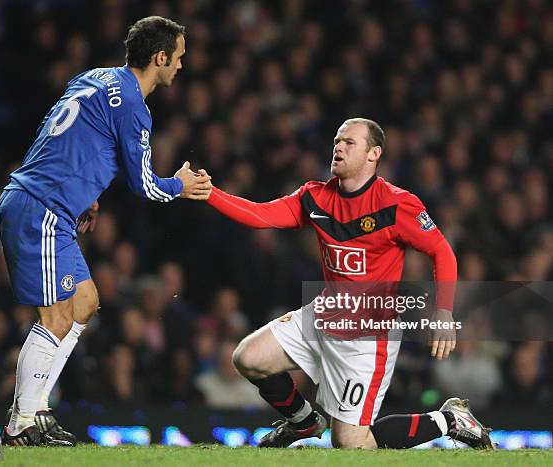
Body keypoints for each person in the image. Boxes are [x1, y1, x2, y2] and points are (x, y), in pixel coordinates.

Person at [202, 118, 494, 449]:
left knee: (351, 445)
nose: (338, 147)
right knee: (248, 357)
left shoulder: (397, 204)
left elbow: (442, 252)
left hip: (368, 337)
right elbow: (261, 215)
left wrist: (443, 312)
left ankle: (450, 420)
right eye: (337, 141)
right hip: (325, 314)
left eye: (349, 142)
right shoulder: (316, 196)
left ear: (373, 154)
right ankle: (304, 423)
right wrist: (209, 193)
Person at [0, 16, 211, 446]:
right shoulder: (135, 107)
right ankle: (22, 421)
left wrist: (85, 194)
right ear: (160, 57)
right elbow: (145, 186)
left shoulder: (93, 77)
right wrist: (180, 185)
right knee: (55, 318)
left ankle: (36, 410)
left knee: (85, 302)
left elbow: (58, 132)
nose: (182, 67)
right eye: (179, 58)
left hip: (46, 205)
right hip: (42, 209)